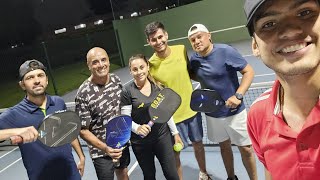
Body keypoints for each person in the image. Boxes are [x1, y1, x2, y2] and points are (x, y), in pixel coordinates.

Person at [244, 0, 320, 179]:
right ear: (255, 46)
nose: (290, 30)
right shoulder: (257, 114)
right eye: (269, 24)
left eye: (304, 13)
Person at [187, 24, 257, 180]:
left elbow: (249, 71)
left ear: (209, 35)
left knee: (245, 149)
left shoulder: (225, 51)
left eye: (199, 37)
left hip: (234, 112)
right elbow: (195, 75)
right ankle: (231, 177)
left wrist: (238, 96)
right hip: (212, 114)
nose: (197, 41)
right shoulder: (194, 60)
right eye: (193, 40)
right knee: (224, 147)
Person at [145, 21, 211, 180]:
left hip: (192, 109)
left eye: (160, 37)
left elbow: (189, 72)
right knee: (175, 152)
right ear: (149, 42)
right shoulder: (151, 65)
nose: (158, 42)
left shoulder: (181, 49)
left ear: (166, 35)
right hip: (172, 118)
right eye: (154, 39)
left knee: (198, 144)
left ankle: (203, 174)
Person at [0, 59, 85, 180]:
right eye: (30, 78)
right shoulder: (14, 114)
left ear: (47, 80)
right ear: (22, 85)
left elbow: (68, 131)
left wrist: (81, 156)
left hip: (71, 174)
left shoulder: (58, 102)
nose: (37, 81)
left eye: (40, 75)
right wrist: (17, 131)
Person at [120, 54, 180, 180]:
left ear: (147, 67)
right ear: (130, 71)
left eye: (142, 67)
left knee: (172, 175)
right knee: (149, 176)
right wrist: (137, 128)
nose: (139, 72)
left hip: (162, 137)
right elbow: (125, 119)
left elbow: (166, 113)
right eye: (135, 69)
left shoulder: (158, 87)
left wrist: (175, 133)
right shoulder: (127, 91)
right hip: (140, 143)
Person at [75, 47, 130, 180]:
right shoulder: (83, 93)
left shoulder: (116, 80)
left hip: (120, 143)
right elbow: (82, 131)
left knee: (123, 173)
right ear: (89, 66)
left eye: (103, 60)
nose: (101, 65)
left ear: (109, 61)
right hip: (100, 152)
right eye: (95, 62)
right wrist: (106, 148)